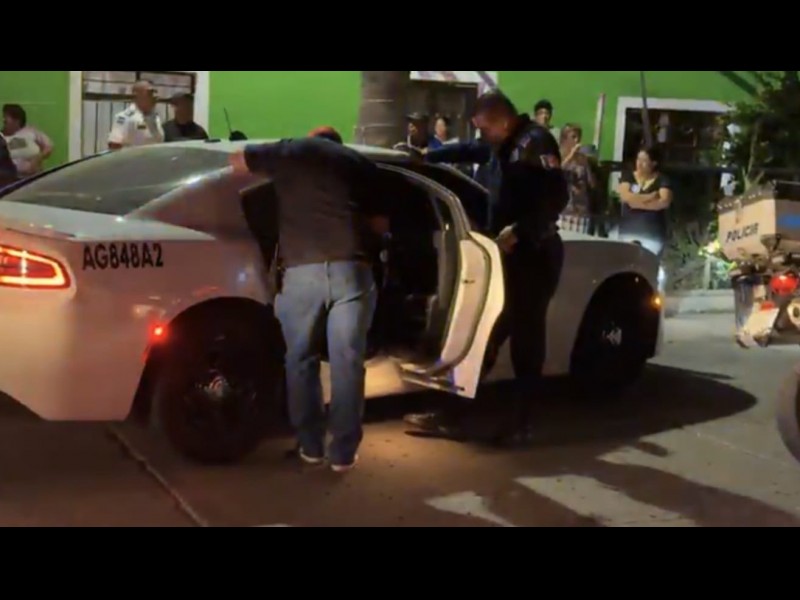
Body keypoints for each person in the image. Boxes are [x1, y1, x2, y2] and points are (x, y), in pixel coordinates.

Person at [404, 90, 569, 446]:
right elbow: (471, 150)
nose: (482, 135)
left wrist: (521, 230)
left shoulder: (534, 143)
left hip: (534, 254)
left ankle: (521, 424)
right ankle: (455, 415)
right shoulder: (503, 144)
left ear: (503, 121)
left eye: (484, 128)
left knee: (525, 342)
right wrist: (428, 155)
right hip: (507, 255)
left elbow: (558, 196)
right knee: (484, 335)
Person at [229, 126, 388, 473]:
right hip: (350, 270)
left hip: (302, 271)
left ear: (311, 137)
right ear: (338, 144)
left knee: (300, 358)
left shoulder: (290, 151)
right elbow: (379, 225)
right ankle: (343, 454)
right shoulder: (359, 163)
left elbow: (236, 162)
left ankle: (310, 446)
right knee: (347, 362)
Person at [616, 145, 673, 259]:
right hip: (628, 232)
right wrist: (649, 197)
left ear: (654, 163)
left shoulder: (662, 180)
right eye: (638, 159)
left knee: (647, 261)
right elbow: (625, 196)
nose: (639, 164)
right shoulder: (628, 176)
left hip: (652, 234)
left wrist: (636, 202)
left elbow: (664, 202)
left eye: (644, 161)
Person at [559, 124, 597, 234]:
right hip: (563, 211)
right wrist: (571, 156)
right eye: (573, 137)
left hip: (581, 210)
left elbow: (592, 184)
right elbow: (555, 173)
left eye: (579, 137)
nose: (577, 140)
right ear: (564, 139)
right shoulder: (558, 156)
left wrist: (587, 166)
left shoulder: (582, 159)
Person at [108, 80, 165, 150]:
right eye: (150, 92)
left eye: (156, 92)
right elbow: (114, 145)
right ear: (137, 95)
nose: (155, 96)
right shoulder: (125, 117)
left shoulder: (155, 117)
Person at [2, 104, 54, 177]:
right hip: (10, 179)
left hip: (34, 177)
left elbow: (49, 147)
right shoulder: (1, 136)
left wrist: (38, 158)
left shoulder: (31, 131)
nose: (4, 120)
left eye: (6, 117)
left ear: (17, 120)